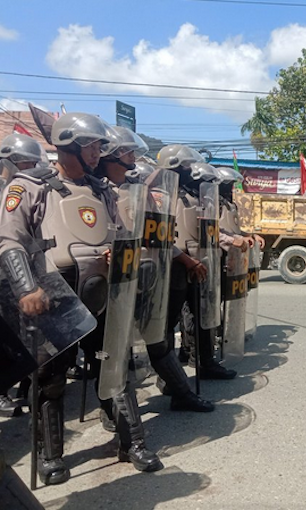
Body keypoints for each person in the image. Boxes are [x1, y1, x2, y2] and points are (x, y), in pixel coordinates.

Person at [0, 113, 162, 485]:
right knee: (53, 378)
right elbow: (9, 241)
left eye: (98, 146)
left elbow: (121, 234)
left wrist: (117, 253)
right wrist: (26, 287)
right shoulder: (28, 187)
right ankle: (49, 454)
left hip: (101, 294)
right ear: (68, 142)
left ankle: (132, 441)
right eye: (91, 145)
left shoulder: (102, 190)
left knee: (112, 365)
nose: (97, 153)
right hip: (55, 296)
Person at [97, 128, 214, 412]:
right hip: (110, 280)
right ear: (111, 154)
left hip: (146, 274)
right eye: (127, 152)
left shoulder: (139, 191)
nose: (132, 158)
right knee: (113, 349)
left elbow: (158, 238)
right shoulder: (100, 190)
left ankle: (181, 394)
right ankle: (114, 413)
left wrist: (184, 259)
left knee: (157, 338)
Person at [157, 145, 236, 380]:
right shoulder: (163, 196)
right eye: (186, 167)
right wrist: (187, 260)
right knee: (169, 323)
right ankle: (169, 376)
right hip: (175, 265)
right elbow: (159, 237)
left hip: (198, 262)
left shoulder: (191, 197)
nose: (190, 172)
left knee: (204, 314)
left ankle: (206, 362)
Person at [0, 133, 46, 418]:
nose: (30, 167)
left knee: (20, 336)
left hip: (16, 271)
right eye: (25, 162)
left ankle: (23, 385)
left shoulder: (25, 189)